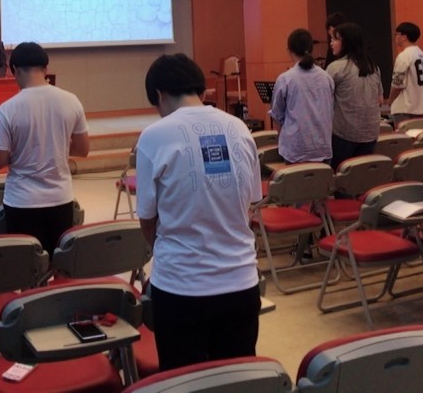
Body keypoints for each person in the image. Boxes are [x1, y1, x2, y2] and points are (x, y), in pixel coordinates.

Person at [135, 54, 262, 372]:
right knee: (237, 377)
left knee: (184, 380)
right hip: (242, 282)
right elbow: (249, 205)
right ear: (201, 90)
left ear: (159, 94)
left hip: (182, 287)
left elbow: (147, 219)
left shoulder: (154, 136)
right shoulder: (239, 128)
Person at [0, 42, 88, 254]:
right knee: (59, 262)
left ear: (15, 70)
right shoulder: (71, 101)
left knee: (27, 264)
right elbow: (82, 149)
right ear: (45, 68)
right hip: (60, 198)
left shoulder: (8, 108)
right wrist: (56, 145)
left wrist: (20, 152)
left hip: (22, 201)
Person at [269, 29, 334, 164]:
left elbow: (277, 116)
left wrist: (283, 142)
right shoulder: (326, 77)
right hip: (323, 148)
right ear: (311, 48)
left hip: (295, 150)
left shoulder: (286, 79)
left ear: (289, 50)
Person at [326, 22, 382, 169]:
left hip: (344, 134)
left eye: (335, 39)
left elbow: (323, 101)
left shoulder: (336, 68)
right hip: (370, 134)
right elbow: (380, 100)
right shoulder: (373, 67)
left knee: (340, 176)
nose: (331, 43)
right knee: (360, 177)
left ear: (346, 42)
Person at [388, 21, 423, 127]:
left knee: (405, 137)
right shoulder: (422, 54)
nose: (395, 37)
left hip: (406, 108)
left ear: (404, 37)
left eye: (397, 34)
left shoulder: (404, 56)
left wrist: (390, 101)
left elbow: (397, 83)